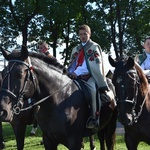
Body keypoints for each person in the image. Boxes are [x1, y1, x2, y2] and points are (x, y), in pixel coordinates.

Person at [67, 24, 110, 129]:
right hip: (75, 77)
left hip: (89, 76)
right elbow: (72, 64)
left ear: (89, 34)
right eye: (80, 34)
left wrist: (77, 72)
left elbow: (94, 65)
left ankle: (94, 118)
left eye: (85, 34)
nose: (83, 36)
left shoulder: (94, 47)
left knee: (92, 91)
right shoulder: (76, 49)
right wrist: (70, 72)